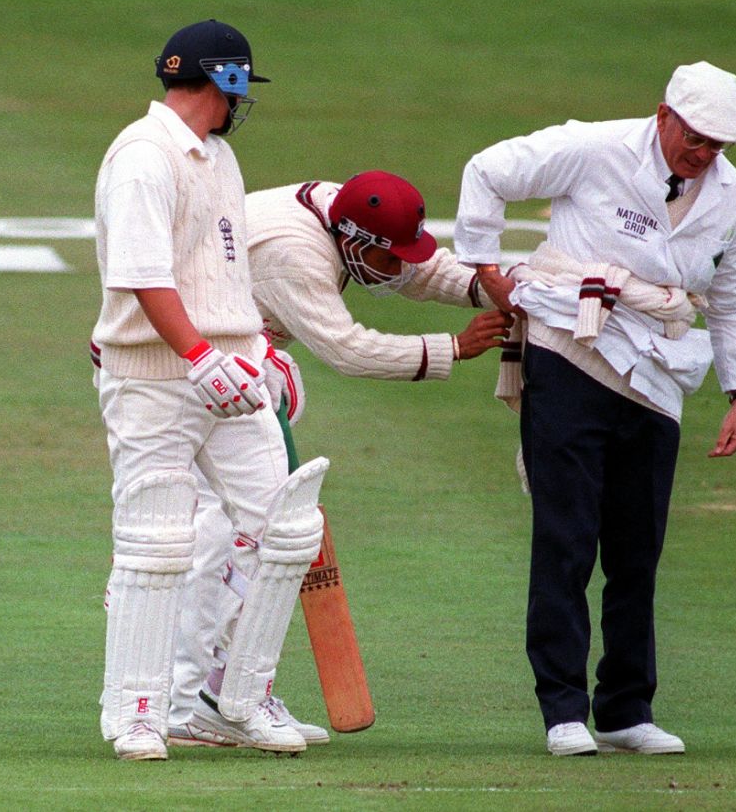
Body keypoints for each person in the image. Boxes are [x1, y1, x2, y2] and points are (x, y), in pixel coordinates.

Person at [453, 62, 736, 756]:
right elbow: (487, 170)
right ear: (664, 115)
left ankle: (625, 708)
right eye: (698, 136)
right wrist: (485, 267)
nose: (705, 154)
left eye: (720, 145)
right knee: (566, 536)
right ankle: (563, 708)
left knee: (636, 550)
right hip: (570, 346)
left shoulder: (733, 197)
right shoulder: (595, 147)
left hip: (659, 373)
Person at [163, 171, 514, 747]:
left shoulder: (347, 214)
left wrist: (490, 287)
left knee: (237, 533)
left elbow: (414, 265)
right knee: (241, 535)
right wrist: (453, 346)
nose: (398, 269)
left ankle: (211, 696)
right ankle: (209, 699)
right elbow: (347, 349)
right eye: (386, 256)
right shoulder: (293, 255)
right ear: (351, 239)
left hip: (229, 363)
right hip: (204, 374)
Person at [91, 18, 310, 760]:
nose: (239, 105)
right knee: (157, 540)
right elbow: (144, 274)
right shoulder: (143, 157)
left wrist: (253, 349)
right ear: (225, 80)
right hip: (156, 376)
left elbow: (220, 269)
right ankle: (139, 710)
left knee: (283, 529)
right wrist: (196, 355)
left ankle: (233, 700)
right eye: (239, 88)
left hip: (231, 371)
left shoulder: (216, 157)